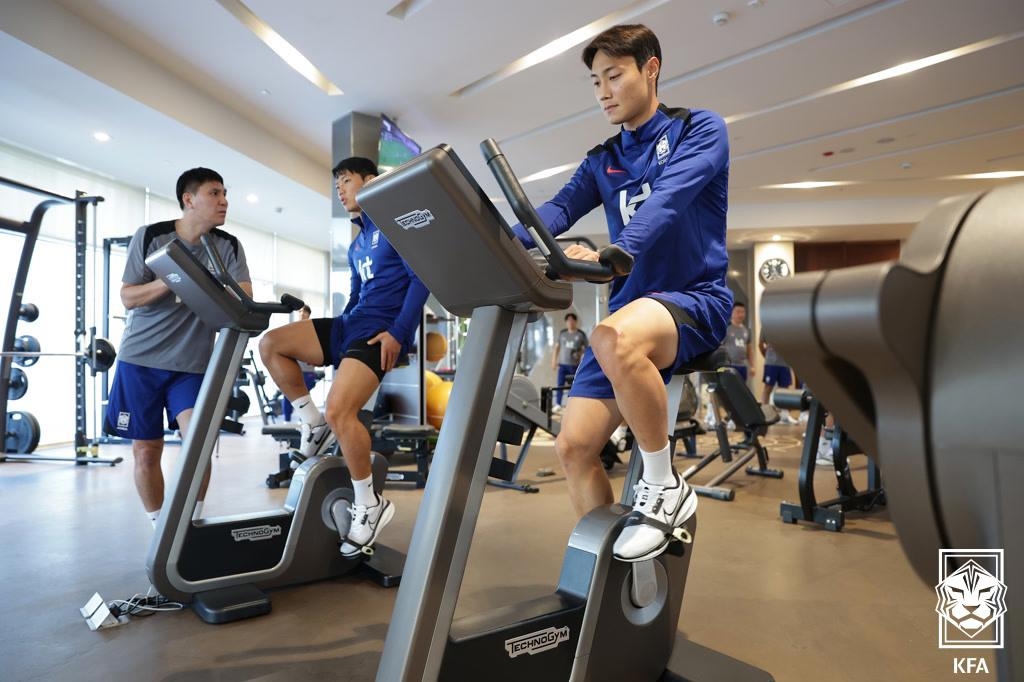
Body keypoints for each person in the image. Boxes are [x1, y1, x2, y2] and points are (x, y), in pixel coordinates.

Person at [512, 24, 731, 562]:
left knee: (613, 337)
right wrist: (492, 237)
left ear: (650, 68)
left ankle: (664, 487)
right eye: (595, 82)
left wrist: (616, 252)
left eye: (614, 75)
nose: (604, 91)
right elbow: (556, 212)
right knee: (573, 446)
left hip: (693, 300)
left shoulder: (698, 129)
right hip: (629, 316)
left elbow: (669, 201)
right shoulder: (602, 159)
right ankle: (606, 572)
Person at [259, 157, 429, 557]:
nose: (340, 189)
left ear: (369, 182)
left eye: (346, 181)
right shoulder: (357, 242)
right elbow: (356, 295)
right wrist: (332, 333)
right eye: (337, 183)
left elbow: (421, 280)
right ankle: (311, 423)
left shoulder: (395, 227)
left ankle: (369, 504)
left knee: (342, 411)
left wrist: (399, 334)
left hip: (379, 332)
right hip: (352, 324)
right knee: (271, 345)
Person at [104, 168, 251, 528]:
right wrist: (174, 280)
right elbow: (127, 296)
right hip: (141, 360)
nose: (224, 200)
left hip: (194, 365)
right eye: (214, 193)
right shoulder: (152, 237)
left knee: (198, 446)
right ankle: (160, 528)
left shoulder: (227, 246)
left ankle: (190, 528)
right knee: (146, 450)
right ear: (189, 199)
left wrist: (205, 286)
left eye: (224, 193)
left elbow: (244, 297)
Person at [280, 305, 321, 422]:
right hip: (293, 369)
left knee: (303, 397)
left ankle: (304, 420)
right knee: (288, 396)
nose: (302, 313)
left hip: (308, 371)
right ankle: (286, 421)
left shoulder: (314, 329)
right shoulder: (291, 329)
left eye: (305, 311)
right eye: (300, 311)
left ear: (309, 314)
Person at [551, 312, 588, 412]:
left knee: (575, 386)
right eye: (568, 320)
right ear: (566, 322)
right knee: (560, 384)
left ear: (575, 322)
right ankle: (558, 404)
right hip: (563, 365)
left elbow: (586, 350)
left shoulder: (581, 334)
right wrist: (554, 360)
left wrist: (581, 358)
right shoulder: (562, 333)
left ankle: (573, 406)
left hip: (575, 365)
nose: (570, 322)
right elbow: (557, 348)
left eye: (572, 320)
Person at [720, 302, 755, 382]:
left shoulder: (746, 330)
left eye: (743, 312)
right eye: (738, 312)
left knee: (741, 390)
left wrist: (752, 366)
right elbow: (719, 347)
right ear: (732, 312)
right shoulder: (726, 328)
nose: (741, 314)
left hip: (742, 366)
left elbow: (749, 350)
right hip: (728, 366)